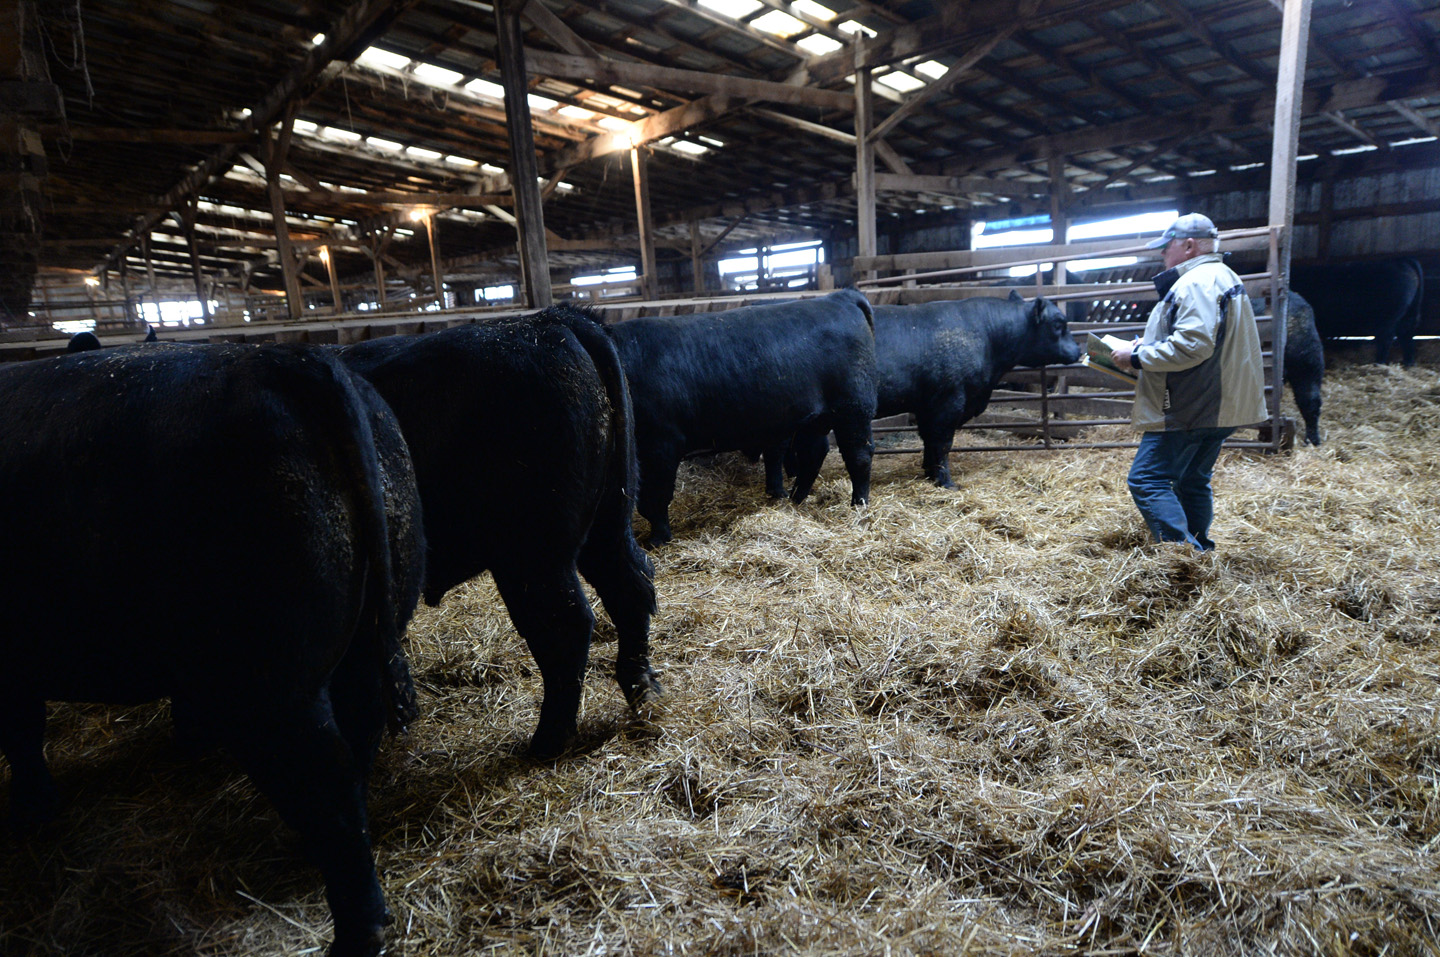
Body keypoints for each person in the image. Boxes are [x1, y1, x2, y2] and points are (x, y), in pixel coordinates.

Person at [1111, 213, 1266, 551]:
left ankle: (1184, 555)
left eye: (1166, 248)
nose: (1162, 256)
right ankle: (1200, 549)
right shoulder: (1222, 275)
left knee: (1146, 478)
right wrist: (1146, 347)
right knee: (1191, 480)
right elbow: (1204, 340)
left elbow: (1192, 346)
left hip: (1192, 404)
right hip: (1220, 402)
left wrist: (1136, 357)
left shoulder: (1197, 282)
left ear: (1189, 246)